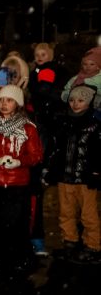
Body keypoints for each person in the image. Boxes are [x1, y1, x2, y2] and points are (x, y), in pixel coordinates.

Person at [0, 84, 43, 274]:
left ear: (17, 104)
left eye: (9, 100)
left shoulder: (28, 128)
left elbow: (36, 155)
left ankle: (13, 261)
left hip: (17, 184)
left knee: (14, 224)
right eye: (1, 100)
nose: (4, 104)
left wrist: (19, 162)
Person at [43, 85, 101, 262]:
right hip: (65, 177)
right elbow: (57, 149)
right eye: (73, 100)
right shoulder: (63, 123)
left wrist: (97, 172)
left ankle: (93, 246)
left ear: (90, 102)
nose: (75, 104)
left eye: (81, 100)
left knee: (89, 215)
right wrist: (52, 169)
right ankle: (70, 241)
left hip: (85, 178)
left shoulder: (95, 125)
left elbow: (98, 151)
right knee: (66, 212)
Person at [29, 42, 68, 121]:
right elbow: (37, 73)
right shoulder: (40, 68)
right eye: (37, 55)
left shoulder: (48, 70)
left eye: (43, 55)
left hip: (47, 106)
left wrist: (31, 84)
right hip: (43, 104)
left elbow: (43, 89)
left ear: (50, 56)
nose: (39, 57)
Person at [61, 46, 101, 111]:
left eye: (92, 64)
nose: (88, 67)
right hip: (75, 107)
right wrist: (67, 96)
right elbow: (67, 88)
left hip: (95, 109)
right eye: (85, 64)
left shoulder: (99, 78)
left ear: (98, 67)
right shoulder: (77, 78)